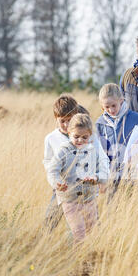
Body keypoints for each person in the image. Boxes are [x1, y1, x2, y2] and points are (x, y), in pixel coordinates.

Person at [43, 93, 107, 231]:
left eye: (69, 120)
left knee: (88, 224)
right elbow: (48, 161)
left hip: (86, 187)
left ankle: (90, 248)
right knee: (50, 219)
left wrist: (100, 179)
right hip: (63, 187)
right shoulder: (51, 138)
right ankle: (43, 243)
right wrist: (56, 180)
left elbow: (98, 158)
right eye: (62, 121)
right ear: (56, 119)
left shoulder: (88, 135)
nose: (66, 125)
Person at [95, 83, 138, 188]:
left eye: (114, 105)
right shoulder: (100, 123)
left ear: (121, 101)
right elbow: (97, 151)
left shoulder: (135, 118)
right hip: (110, 177)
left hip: (133, 175)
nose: (111, 110)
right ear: (102, 106)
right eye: (107, 107)